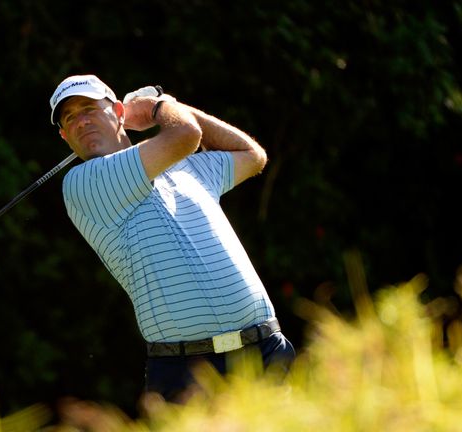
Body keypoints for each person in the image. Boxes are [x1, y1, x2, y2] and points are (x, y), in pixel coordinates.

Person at [49, 74, 295, 402]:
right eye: (70, 117)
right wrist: (157, 107)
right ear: (65, 136)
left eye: (90, 108)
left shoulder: (185, 168)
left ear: (119, 112)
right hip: (187, 373)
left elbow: (252, 155)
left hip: (265, 353)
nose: (81, 121)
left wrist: (175, 107)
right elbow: (186, 133)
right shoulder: (84, 183)